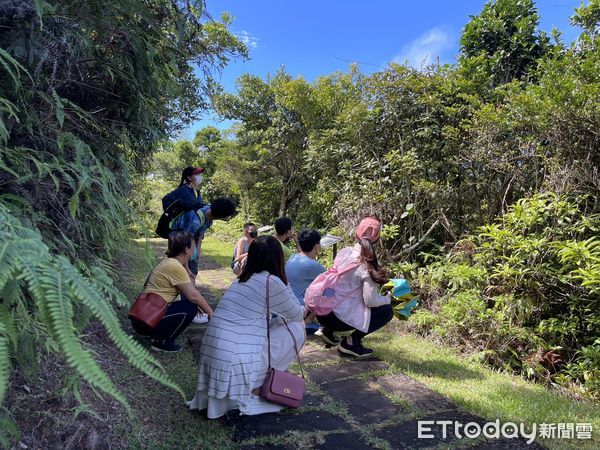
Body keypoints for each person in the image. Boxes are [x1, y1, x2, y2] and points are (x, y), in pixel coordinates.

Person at [188, 235, 305, 418]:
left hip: (214, 354)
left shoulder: (242, 279)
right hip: (233, 358)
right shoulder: (272, 282)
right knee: (297, 329)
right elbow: (297, 314)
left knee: (280, 323)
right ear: (278, 258)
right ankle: (257, 384)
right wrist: (285, 281)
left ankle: (258, 378)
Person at [314, 217, 393, 357]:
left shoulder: (344, 252)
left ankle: (328, 331)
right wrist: (387, 299)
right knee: (386, 311)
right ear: (377, 238)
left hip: (323, 313)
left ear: (356, 232)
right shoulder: (366, 264)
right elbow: (371, 301)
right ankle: (351, 342)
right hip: (338, 319)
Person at [130, 231, 214, 353]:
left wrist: (186, 266)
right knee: (190, 307)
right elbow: (194, 296)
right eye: (193, 246)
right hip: (145, 322)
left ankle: (158, 335)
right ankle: (161, 342)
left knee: (188, 301)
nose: (195, 249)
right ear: (186, 249)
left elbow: (189, 288)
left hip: (143, 318)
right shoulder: (174, 267)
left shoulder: (171, 262)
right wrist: (212, 314)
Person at [285, 229, 326, 334]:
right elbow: (332, 280)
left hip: (288, 304)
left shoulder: (293, 257)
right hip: (300, 308)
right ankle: (308, 322)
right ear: (316, 246)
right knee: (329, 292)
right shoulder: (312, 265)